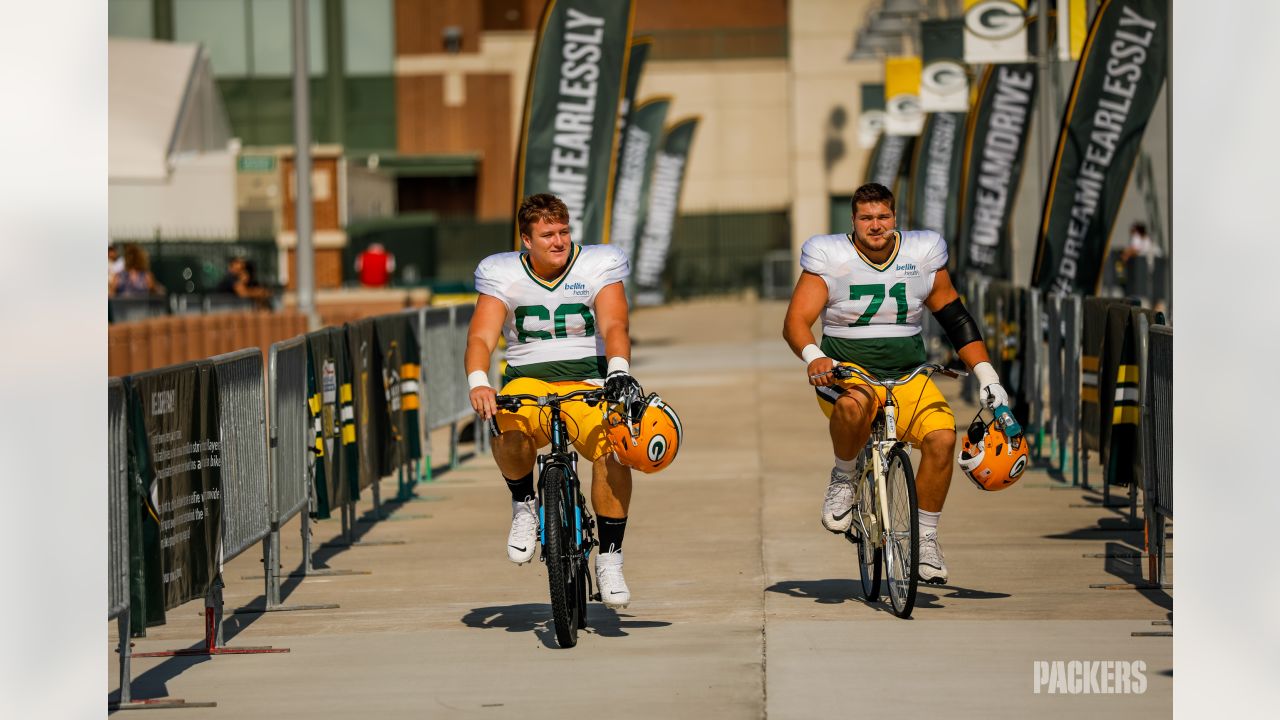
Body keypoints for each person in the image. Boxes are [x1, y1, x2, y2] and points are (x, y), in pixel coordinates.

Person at [782, 182, 1019, 585]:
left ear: (895, 218)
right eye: (866, 218)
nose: (876, 226)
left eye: (883, 217)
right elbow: (795, 323)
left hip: (907, 375)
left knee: (943, 438)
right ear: (853, 221)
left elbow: (956, 319)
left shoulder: (921, 253)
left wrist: (987, 377)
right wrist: (814, 356)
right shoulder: (830, 256)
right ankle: (843, 476)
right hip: (848, 374)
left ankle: (925, 539)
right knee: (853, 406)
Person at [464, 193, 652, 610]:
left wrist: (618, 369)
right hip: (527, 383)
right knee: (506, 427)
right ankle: (523, 502)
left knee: (613, 451)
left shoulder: (596, 264)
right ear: (525, 241)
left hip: (589, 380)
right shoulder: (502, 272)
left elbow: (615, 322)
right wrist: (479, 382)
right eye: (547, 234)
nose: (559, 240)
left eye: (564, 231)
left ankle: (610, 557)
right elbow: (481, 336)